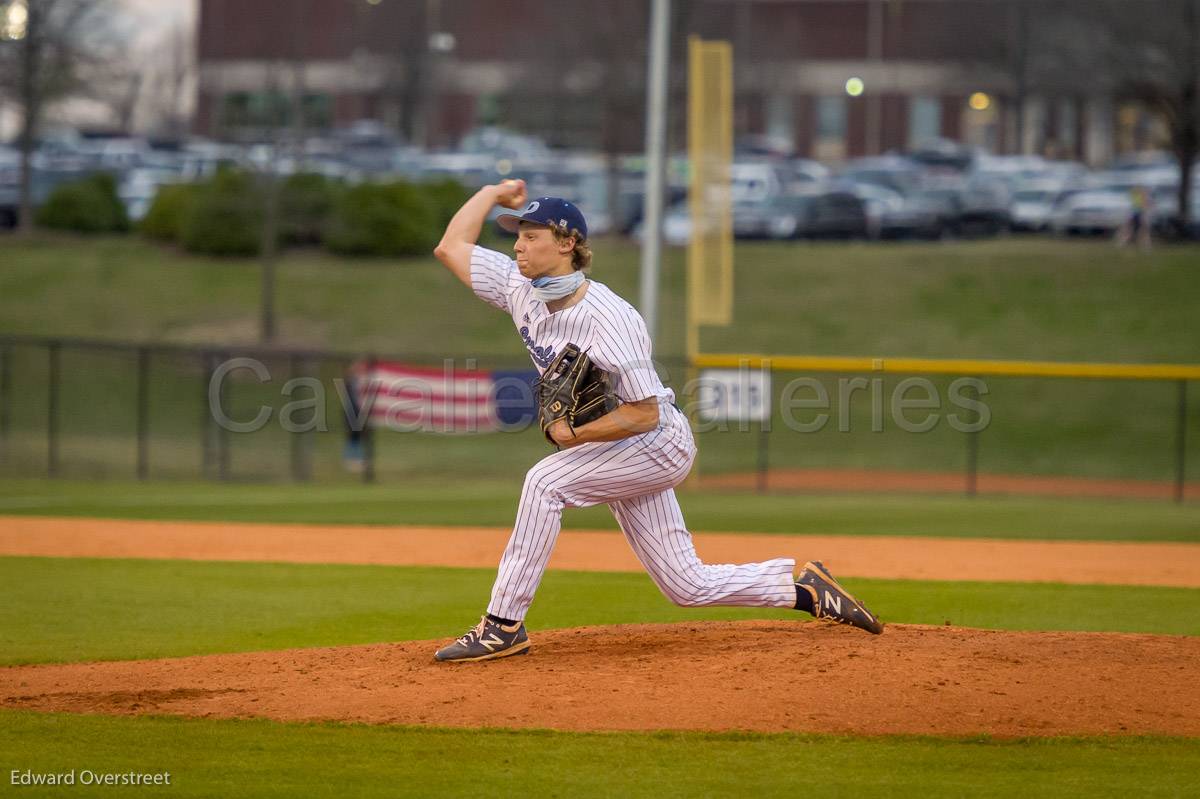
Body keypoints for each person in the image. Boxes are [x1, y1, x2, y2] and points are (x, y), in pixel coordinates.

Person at [430, 179, 883, 663]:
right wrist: (493, 192)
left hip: (657, 442)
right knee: (686, 585)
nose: (519, 244)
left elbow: (644, 412)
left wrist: (573, 435)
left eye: (532, 235)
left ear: (567, 244)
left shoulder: (608, 317)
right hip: (614, 447)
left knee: (545, 483)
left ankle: (502, 626)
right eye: (517, 234)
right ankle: (806, 591)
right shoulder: (520, 289)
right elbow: (450, 246)